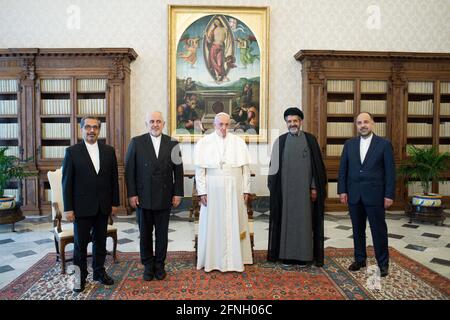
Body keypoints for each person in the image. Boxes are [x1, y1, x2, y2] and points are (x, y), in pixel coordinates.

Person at [62, 116, 119, 293]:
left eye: (95, 127)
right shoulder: (72, 152)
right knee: (80, 245)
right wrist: (68, 208)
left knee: (100, 242)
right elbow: (67, 182)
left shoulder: (109, 151)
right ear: (82, 129)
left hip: (103, 206)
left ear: (99, 130)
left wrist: (115, 203)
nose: (91, 130)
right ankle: (80, 277)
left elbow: (113, 180)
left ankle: (99, 272)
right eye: (88, 127)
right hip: (81, 207)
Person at [125, 111, 184, 281]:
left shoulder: (172, 143)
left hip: (165, 196)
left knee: (162, 234)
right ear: (146, 124)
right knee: (144, 234)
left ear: (163, 124)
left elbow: (178, 171)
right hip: (143, 197)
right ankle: (148, 266)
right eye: (152, 121)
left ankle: (159, 265)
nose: (155, 124)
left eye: (158, 121)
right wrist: (132, 194)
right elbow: (130, 171)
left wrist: (178, 193)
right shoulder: (136, 142)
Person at [267, 107, 327, 267]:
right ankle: (285, 255)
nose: (292, 124)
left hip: (304, 193)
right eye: (289, 121)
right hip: (285, 193)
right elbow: (273, 168)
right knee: (286, 222)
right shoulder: (280, 141)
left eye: (295, 121)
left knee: (304, 222)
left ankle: (304, 255)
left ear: (301, 122)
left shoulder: (311, 140)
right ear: (286, 123)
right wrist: (274, 189)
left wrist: (314, 187)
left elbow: (317, 168)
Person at [338, 112, 395, 277]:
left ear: (373, 124)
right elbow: (343, 169)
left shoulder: (384, 144)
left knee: (378, 230)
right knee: (357, 229)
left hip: (376, 194)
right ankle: (360, 259)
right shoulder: (349, 144)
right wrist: (342, 190)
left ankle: (383, 263)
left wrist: (389, 195)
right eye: (359, 123)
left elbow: (390, 172)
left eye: (366, 122)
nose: (362, 125)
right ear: (356, 125)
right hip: (354, 194)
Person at [194, 112, 253, 272]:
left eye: (227, 124)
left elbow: (245, 169)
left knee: (236, 220)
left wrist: (246, 189)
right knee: (214, 222)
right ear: (214, 124)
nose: (224, 128)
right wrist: (202, 192)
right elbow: (200, 170)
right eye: (221, 124)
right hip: (213, 190)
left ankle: (236, 259)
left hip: (235, 188)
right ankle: (213, 260)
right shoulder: (204, 143)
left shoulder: (239, 143)